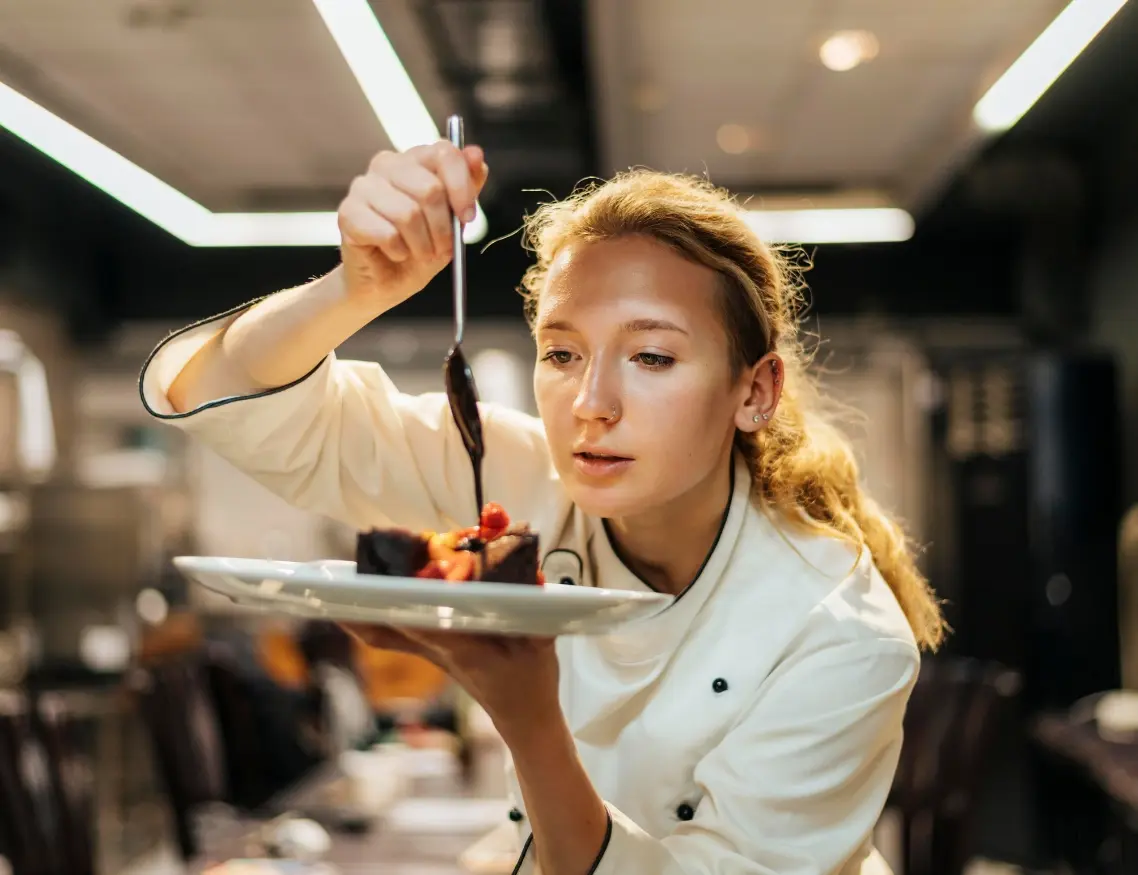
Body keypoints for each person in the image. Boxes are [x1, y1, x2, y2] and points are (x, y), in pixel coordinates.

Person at [139, 139, 946, 875]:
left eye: (651, 356)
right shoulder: (517, 476)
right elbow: (229, 396)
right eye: (562, 352)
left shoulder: (839, 632)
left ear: (755, 390)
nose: (591, 402)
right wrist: (352, 289)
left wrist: (528, 719)